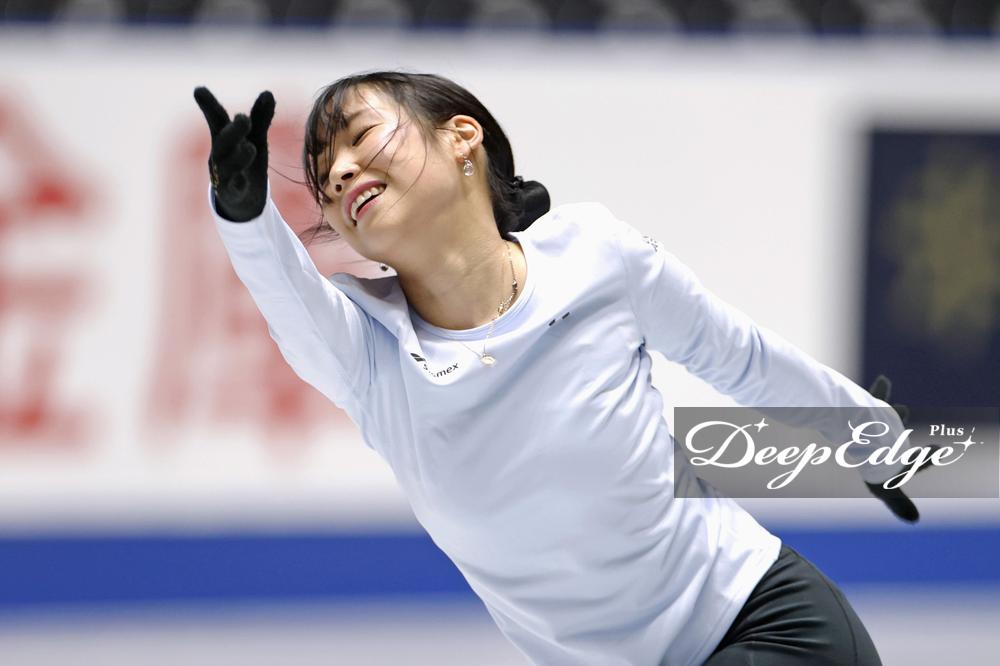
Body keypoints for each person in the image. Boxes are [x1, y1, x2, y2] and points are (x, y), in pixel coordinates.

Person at [193, 72, 920, 665]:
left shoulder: (595, 256)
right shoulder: (368, 352)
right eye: (325, 178)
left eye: (360, 137)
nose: (341, 171)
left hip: (769, 625)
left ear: (461, 137)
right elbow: (287, 300)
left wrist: (870, 437)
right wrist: (243, 212)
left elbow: (736, 355)